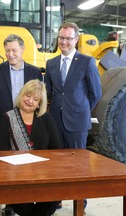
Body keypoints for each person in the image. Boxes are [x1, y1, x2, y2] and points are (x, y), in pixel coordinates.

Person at [45, 22, 102, 212]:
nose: (64, 42)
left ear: (76, 39)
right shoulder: (51, 63)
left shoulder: (86, 62)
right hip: (55, 121)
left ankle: (80, 203)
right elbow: (49, 94)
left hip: (77, 123)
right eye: (61, 38)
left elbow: (96, 93)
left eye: (68, 38)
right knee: (57, 164)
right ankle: (57, 199)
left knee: (78, 165)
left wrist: (81, 110)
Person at [0, 79, 62, 216]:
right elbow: (1, 151)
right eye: (28, 95)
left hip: (43, 176)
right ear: (21, 95)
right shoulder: (7, 117)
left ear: (40, 104)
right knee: (24, 206)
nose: (30, 100)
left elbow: (56, 150)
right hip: (16, 177)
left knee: (55, 195)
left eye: (35, 99)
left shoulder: (47, 119)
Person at [0, 34, 43, 140]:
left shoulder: (35, 72)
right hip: (3, 123)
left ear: (22, 49)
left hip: (29, 124)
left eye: (14, 50)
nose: (10, 54)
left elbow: (40, 100)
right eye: (7, 50)